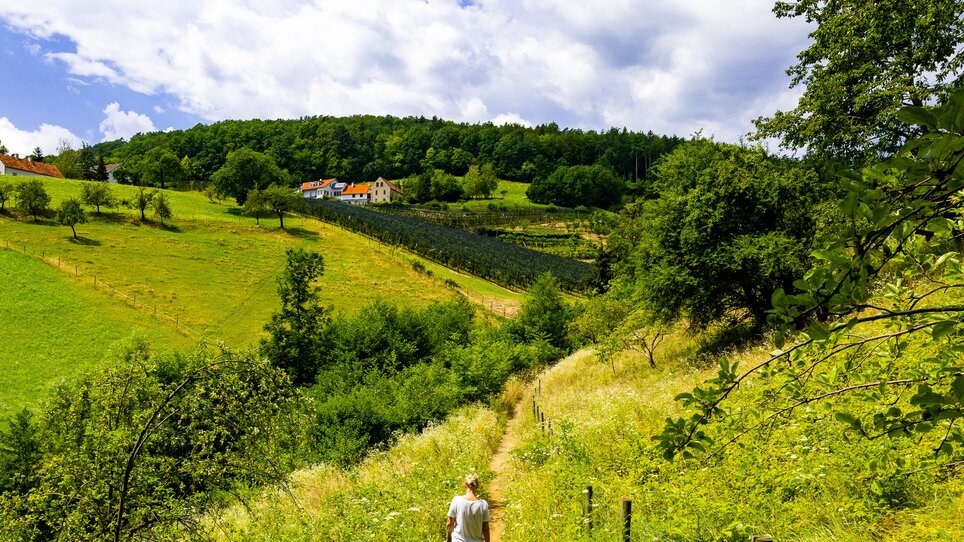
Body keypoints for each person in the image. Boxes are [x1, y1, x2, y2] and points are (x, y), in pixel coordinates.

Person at [446, 473, 490, 542]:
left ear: (464, 485)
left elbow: (450, 523)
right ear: (477, 486)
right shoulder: (483, 504)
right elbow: (485, 528)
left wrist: (448, 539)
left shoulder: (456, 500)